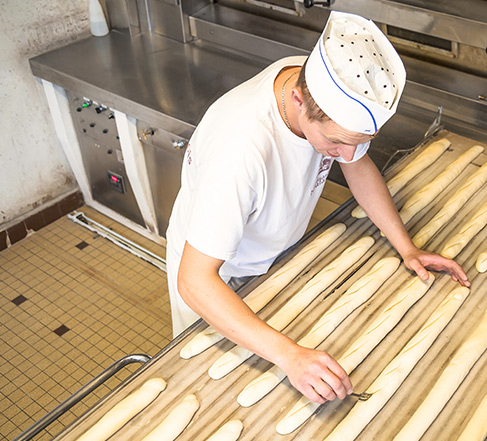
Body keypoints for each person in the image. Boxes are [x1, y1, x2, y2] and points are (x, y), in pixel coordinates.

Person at [166, 11, 470, 406]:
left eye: (357, 141)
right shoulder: (239, 151)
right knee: (215, 395)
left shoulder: (315, 85)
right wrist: (290, 356)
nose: (348, 154)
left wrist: (406, 247)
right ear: (297, 100)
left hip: (272, 259)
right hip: (217, 276)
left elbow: (358, 166)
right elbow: (195, 281)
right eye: (335, 142)